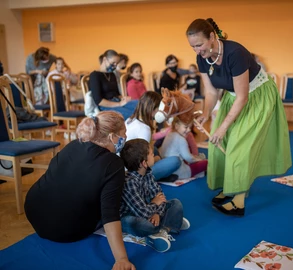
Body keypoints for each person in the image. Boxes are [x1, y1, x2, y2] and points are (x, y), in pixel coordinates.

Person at [186, 18, 292, 216]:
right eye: (192, 46)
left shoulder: (235, 53)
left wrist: (223, 126)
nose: (197, 50)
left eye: (199, 44)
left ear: (212, 37)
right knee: (217, 144)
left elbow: (243, 97)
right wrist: (207, 113)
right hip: (233, 97)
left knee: (238, 145)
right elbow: (210, 92)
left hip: (257, 96)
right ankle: (231, 186)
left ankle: (238, 202)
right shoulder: (201, 58)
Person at [24, 111, 135, 270]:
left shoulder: (74, 144)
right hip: (66, 229)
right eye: (124, 133)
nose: (126, 136)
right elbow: (110, 214)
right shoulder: (113, 163)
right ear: (112, 137)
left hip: (33, 211)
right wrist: (121, 258)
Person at [120, 139, 190, 252]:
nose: (154, 155)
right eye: (152, 154)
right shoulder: (129, 183)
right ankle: (169, 224)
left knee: (176, 203)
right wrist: (154, 203)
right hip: (132, 216)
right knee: (139, 223)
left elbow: (160, 196)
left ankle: (163, 230)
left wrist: (157, 213)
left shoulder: (148, 173)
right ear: (144, 163)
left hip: (149, 210)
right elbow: (142, 212)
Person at [125, 91, 181, 182]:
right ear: (152, 109)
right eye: (159, 108)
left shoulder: (131, 119)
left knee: (154, 149)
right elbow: (143, 163)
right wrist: (156, 159)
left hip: (127, 165)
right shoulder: (144, 128)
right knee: (176, 161)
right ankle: (152, 179)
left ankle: (160, 175)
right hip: (135, 174)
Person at [89, 50, 138, 120]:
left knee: (141, 105)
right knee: (133, 114)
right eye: (113, 63)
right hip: (106, 106)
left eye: (116, 63)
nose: (115, 66)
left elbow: (116, 94)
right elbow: (99, 101)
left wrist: (123, 98)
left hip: (117, 101)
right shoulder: (95, 75)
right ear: (105, 59)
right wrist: (119, 104)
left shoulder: (112, 74)